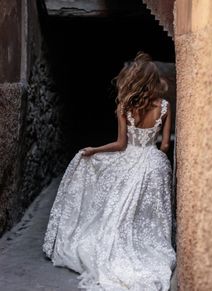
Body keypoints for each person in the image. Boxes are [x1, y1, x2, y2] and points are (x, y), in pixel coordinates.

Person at [42, 51, 176, 290]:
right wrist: (156, 157)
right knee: (149, 213)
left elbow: (120, 144)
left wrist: (94, 150)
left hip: (129, 160)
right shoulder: (164, 107)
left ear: (135, 79)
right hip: (154, 163)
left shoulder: (125, 105)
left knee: (119, 210)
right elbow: (165, 145)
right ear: (153, 81)